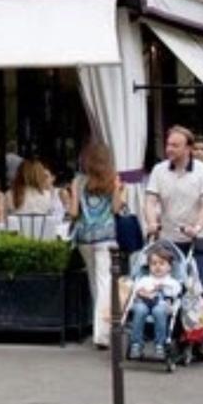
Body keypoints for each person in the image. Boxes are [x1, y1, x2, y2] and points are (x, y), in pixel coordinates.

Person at [144, 125, 203, 326]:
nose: (169, 149)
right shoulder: (159, 170)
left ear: (188, 149)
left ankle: (199, 335)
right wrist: (151, 222)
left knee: (198, 287)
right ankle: (174, 332)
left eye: (175, 145)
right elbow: (150, 200)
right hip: (169, 238)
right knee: (172, 286)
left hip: (198, 236)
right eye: (168, 145)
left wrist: (198, 226)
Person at [66, 142, 124, 349]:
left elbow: (73, 213)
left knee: (94, 281)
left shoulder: (78, 182)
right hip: (106, 236)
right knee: (105, 282)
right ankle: (103, 333)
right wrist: (117, 189)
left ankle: (98, 327)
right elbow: (117, 209)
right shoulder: (113, 179)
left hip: (84, 237)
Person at [128, 248, 182, 360]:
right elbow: (136, 291)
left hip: (163, 305)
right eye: (153, 264)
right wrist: (144, 292)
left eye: (162, 263)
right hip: (145, 303)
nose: (157, 266)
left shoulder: (172, 282)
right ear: (149, 266)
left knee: (159, 310)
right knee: (139, 309)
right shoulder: (144, 279)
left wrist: (163, 288)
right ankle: (136, 344)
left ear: (169, 267)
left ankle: (160, 345)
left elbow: (176, 294)